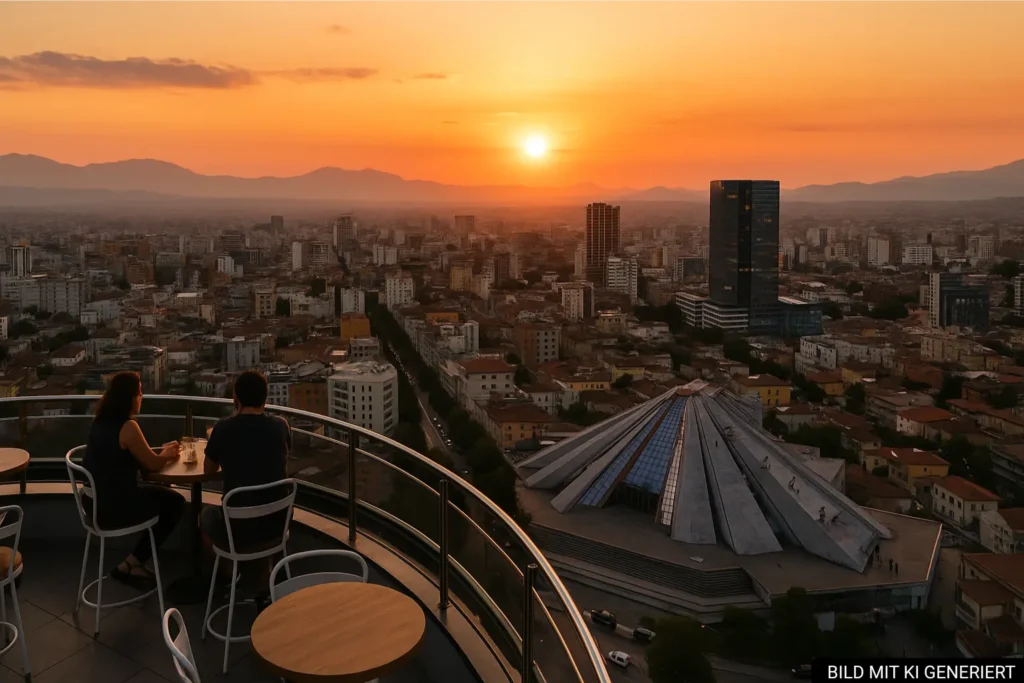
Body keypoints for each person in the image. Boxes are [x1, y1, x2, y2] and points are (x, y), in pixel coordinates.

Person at [83, 371, 184, 588]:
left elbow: (136, 455)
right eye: (139, 393)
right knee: (175, 503)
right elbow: (153, 464)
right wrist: (167, 453)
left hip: (92, 503)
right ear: (129, 397)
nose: (142, 397)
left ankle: (134, 564)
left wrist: (159, 454)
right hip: (115, 508)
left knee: (160, 493)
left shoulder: (100, 421)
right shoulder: (128, 427)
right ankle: (131, 563)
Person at [202, 370, 292, 597]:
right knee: (256, 511)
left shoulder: (223, 429)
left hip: (239, 532)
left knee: (205, 516)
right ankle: (260, 585)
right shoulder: (281, 426)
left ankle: (226, 579)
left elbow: (208, 470)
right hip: (277, 525)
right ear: (265, 397)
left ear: (235, 397)